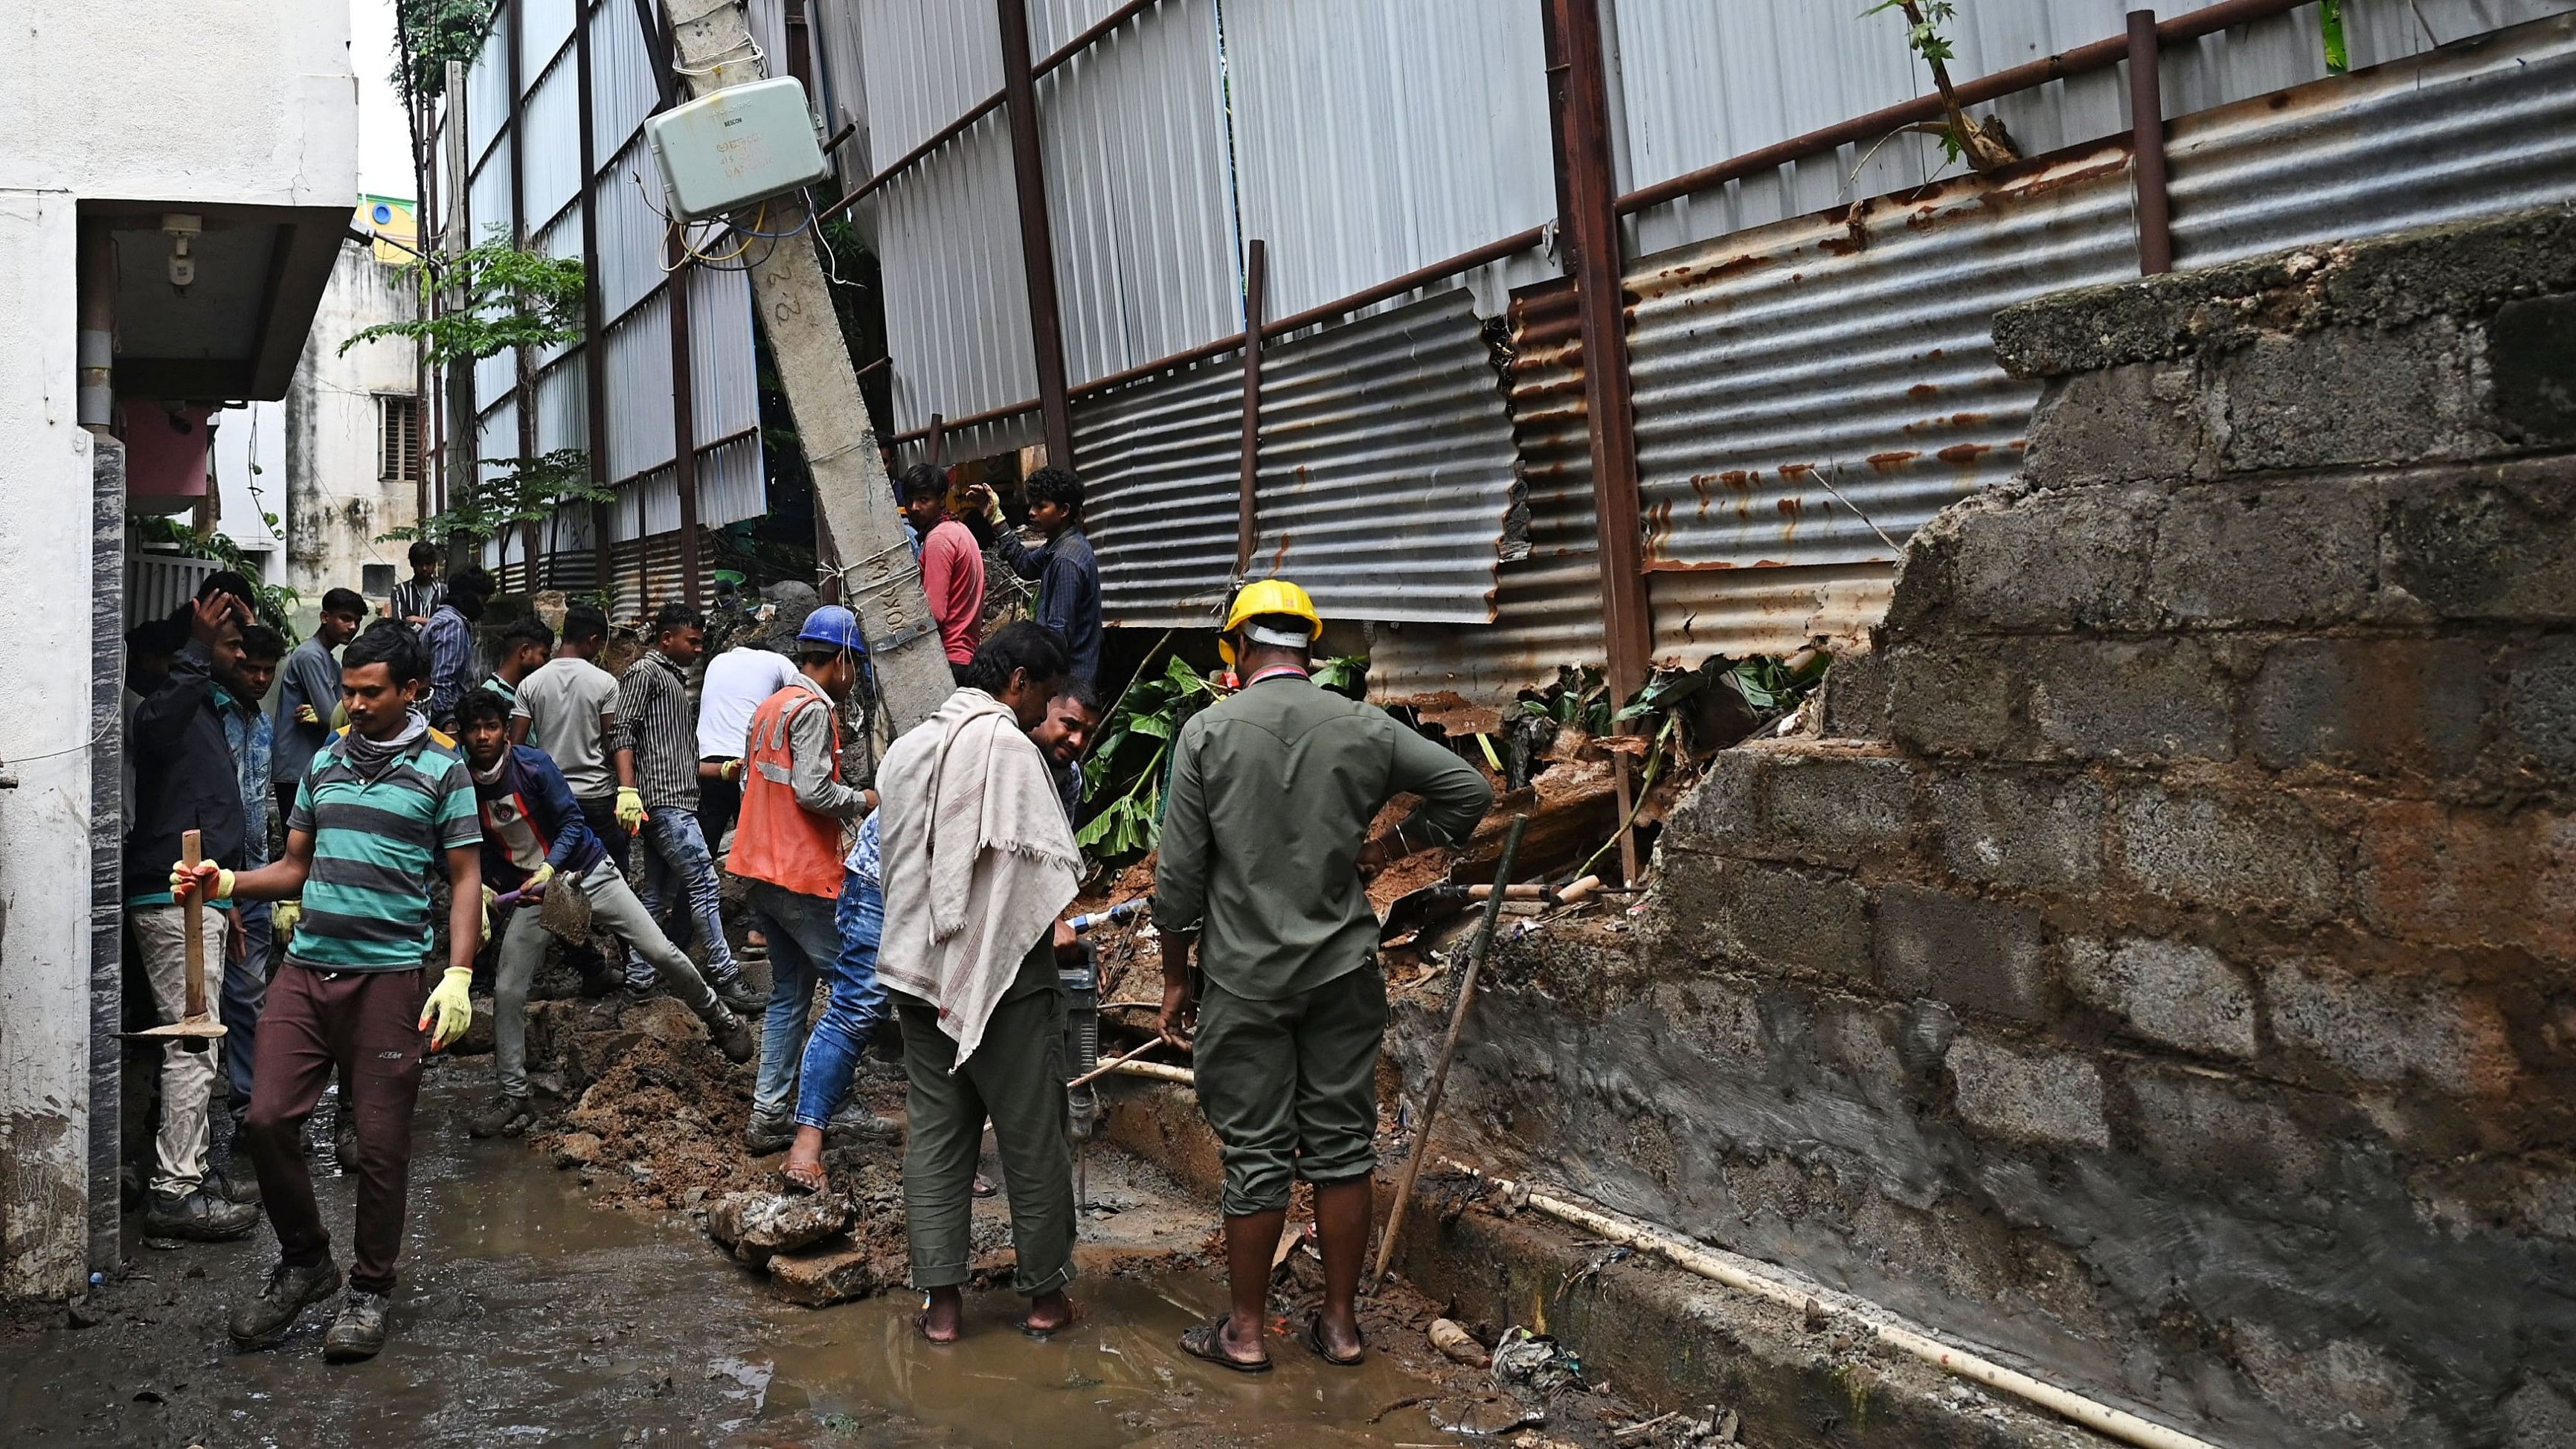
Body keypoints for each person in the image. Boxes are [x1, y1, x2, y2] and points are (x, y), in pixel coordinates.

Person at [1154, 579, 1494, 1372]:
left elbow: (1176, 884)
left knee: (1257, 1153)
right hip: (1343, 968)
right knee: (1343, 1148)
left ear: (1237, 650)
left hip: (1246, 977)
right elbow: (1468, 789)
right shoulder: (1361, 724)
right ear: (1309, 646)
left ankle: (1243, 1331)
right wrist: (1391, 845)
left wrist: (1177, 979)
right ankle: (1339, 1327)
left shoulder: (1208, 732)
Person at [175, 622, 485, 1362]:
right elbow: (295, 866)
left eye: (368, 693)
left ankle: (370, 1288)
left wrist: (459, 972)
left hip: (390, 978)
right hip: (308, 970)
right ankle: (307, 1261)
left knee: (380, 1145)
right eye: (346, 690)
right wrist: (227, 883)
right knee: (268, 1118)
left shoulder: (444, 769)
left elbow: (467, 875)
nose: (351, 705)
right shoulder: (325, 760)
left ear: (412, 690)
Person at [876, 622, 1084, 1343]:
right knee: (1031, 1135)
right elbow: (1042, 872)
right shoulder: (1007, 748)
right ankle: (1046, 1301)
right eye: (1047, 696)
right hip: (1004, 976)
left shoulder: (906, 749)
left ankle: (941, 1311)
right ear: (1019, 682)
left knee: (935, 1134)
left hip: (912, 965)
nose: (1044, 712)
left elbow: (896, 864)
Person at [452, 691, 753, 1139]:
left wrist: (550, 867)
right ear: (461, 734)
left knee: (659, 951)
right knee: (508, 990)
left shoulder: (534, 766)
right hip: (533, 895)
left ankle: (720, 1019)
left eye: (491, 726)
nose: (483, 736)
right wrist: (491, 887)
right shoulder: (460, 785)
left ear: (505, 732)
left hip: (586, 871)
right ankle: (515, 1096)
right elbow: (465, 847)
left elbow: (574, 822)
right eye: (474, 728)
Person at [123, 589, 266, 1244]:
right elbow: (153, 728)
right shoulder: (175, 701)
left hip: (199, 893)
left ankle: (189, 1172)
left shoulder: (210, 705)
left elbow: (208, 803)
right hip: (170, 892)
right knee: (192, 1042)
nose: (244, 657)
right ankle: (176, 1191)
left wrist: (227, 901)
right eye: (235, 646)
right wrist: (200, 650)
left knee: (197, 1042)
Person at [728, 606, 879, 1157]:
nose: (854, 675)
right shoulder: (814, 709)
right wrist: (866, 800)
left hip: (759, 870)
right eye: (854, 663)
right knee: (854, 993)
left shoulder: (772, 706)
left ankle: (769, 1114)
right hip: (800, 875)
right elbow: (814, 792)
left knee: (790, 996)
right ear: (840, 659)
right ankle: (836, 1102)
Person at [615, 603, 754, 1009]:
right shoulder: (646, 673)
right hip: (665, 805)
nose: (698, 650)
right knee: (706, 884)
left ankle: (639, 981)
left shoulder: (672, 681)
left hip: (674, 800)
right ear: (666, 639)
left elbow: (677, 757)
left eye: (701, 642)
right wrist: (628, 791)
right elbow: (622, 732)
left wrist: (722, 770)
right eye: (691, 642)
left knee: (656, 896)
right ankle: (725, 976)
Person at [511, 603, 652, 996]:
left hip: (552, 804)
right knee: (619, 883)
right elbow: (614, 743)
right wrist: (629, 788)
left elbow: (517, 749)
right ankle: (635, 966)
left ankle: (589, 966)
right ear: (592, 640)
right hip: (596, 797)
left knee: (558, 890)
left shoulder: (531, 684)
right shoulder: (604, 683)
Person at [212, 623, 286, 1206]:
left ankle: (248, 1108)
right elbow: (218, 811)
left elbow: (260, 805)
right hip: (221, 885)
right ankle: (241, 1108)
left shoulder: (258, 719)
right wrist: (230, 895)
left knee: (248, 999)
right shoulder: (211, 716)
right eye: (250, 670)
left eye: (267, 671)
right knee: (230, 999)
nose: (259, 680)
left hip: (256, 882)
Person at [974, 468, 1100, 682]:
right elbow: (1026, 565)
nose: (1032, 512)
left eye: (1041, 506)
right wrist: (996, 518)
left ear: (1064, 511)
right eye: (1032, 505)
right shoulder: (1060, 544)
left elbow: (1057, 635)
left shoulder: (1066, 560)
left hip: (1068, 684)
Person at [693, 633, 800, 855]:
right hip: (746, 765)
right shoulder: (778, 661)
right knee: (758, 847)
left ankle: (690, 890)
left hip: (706, 766)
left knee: (703, 849)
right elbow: (803, 701)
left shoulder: (717, 661)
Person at [272, 588, 366, 826]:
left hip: (313, 764)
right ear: (325, 618)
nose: (353, 627)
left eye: (357, 621)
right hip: (296, 765)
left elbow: (338, 715)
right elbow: (334, 717)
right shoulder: (310, 656)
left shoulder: (331, 662)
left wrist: (329, 715)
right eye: (346, 618)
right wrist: (327, 715)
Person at [904, 465, 986, 682]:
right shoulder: (959, 530)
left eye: (923, 500)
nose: (914, 507)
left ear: (941, 500)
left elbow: (935, 613)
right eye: (910, 500)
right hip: (966, 655)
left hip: (949, 657)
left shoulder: (938, 540)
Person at [420, 565, 492, 730]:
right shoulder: (452, 625)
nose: (484, 608)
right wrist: (449, 723)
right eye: (483, 601)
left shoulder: (444, 620)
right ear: (470, 597)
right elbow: (441, 682)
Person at [1031, 677, 1104, 826]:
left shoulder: (1070, 777)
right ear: (1043, 709)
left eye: (1087, 734)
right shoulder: (1006, 746)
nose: (1077, 741)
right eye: (1070, 724)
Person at [480, 614, 553, 709]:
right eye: (544, 655)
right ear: (525, 651)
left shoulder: (526, 693)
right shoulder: (488, 698)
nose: (547, 662)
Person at [387, 541, 445, 625]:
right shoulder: (400, 592)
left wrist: (418, 620)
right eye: (420, 564)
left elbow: (448, 623)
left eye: (428, 564)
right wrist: (432, 622)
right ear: (412, 564)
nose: (424, 568)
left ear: (434, 564)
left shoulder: (444, 591)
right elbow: (398, 624)